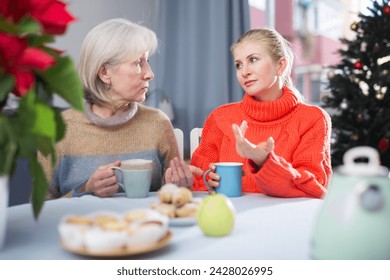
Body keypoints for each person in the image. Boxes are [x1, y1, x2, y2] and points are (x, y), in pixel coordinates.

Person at [38, 18, 197, 199]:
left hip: (144, 225)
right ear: (105, 72)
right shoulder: (60, 129)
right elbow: (41, 207)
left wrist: (177, 185)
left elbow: (173, 197)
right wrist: (84, 190)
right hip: (82, 226)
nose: (150, 74)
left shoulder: (157, 123)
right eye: (138, 63)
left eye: (147, 61)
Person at [190, 28, 332, 198]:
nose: (244, 72)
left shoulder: (313, 119)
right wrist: (207, 181)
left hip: (287, 221)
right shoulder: (220, 118)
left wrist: (264, 162)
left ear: (280, 66)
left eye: (253, 59)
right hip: (230, 220)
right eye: (239, 65)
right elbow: (198, 180)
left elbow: (313, 189)